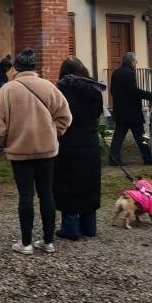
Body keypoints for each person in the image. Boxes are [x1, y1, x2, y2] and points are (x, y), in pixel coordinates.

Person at [0, 48, 71, 255]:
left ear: (16, 68)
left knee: (25, 194)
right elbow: (65, 117)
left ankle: (25, 243)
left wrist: (7, 141)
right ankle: (48, 241)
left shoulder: (7, 90)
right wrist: (53, 133)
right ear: (34, 67)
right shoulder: (49, 87)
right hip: (47, 151)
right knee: (46, 194)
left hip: (19, 152)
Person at [54, 58, 105, 240]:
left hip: (68, 143)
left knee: (68, 184)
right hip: (90, 142)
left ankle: (70, 228)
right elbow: (98, 113)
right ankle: (89, 226)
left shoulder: (61, 90)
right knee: (89, 183)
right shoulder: (95, 89)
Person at [108, 52, 152, 166]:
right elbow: (134, 91)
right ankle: (148, 158)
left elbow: (112, 91)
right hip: (132, 112)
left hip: (120, 111)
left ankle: (113, 158)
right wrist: (151, 95)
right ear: (131, 62)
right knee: (140, 136)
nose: (136, 63)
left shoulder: (115, 73)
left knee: (118, 137)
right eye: (135, 61)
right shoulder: (129, 73)